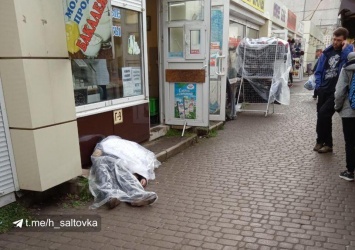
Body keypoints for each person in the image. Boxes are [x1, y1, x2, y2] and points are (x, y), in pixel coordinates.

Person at [313, 27, 353, 153]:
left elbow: (348, 64)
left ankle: (328, 144)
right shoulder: (326, 53)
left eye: (338, 40)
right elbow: (318, 71)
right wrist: (318, 86)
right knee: (321, 116)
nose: (335, 42)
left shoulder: (347, 53)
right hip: (323, 89)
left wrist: (346, 48)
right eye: (334, 39)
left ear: (344, 40)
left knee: (324, 113)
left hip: (336, 91)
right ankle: (320, 141)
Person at [334, 51, 355, 181]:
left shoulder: (346, 69)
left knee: (350, 141)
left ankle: (350, 171)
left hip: (349, 112)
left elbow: (339, 92)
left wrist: (337, 107)